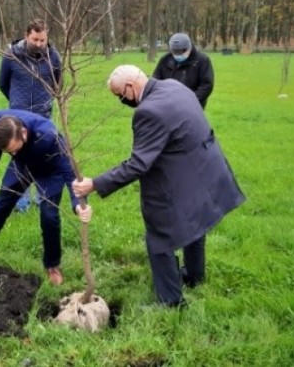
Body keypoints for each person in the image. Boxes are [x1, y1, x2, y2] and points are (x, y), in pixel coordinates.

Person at [72, 65, 244, 307]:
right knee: (196, 221)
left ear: (131, 87)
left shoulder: (148, 111)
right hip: (204, 166)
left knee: (159, 237)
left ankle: (171, 302)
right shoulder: (174, 86)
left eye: (119, 94)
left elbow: (138, 164)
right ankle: (194, 276)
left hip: (183, 176)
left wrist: (95, 184)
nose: (120, 100)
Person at [0, 109, 92, 285]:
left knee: (49, 216)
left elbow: (69, 171)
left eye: (14, 149)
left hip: (49, 171)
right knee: (0, 208)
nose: (12, 153)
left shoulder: (49, 136)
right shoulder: (0, 121)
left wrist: (78, 204)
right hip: (21, 167)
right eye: (8, 152)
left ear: (24, 133)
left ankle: (52, 265)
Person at [0, 19, 61, 212]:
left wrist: (46, 100)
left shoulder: (53, 56)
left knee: (44, 156)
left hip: (43, 116)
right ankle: (21, 203)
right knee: (20, 159)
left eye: (43, 40)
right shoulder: (12, 56)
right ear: (27, 36)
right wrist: (17, 102)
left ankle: (44, 199)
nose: (39, 44)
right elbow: (3, 83)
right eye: (35, 39)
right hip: (19, 116)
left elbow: (57, 83)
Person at [152, 32, 214, 109]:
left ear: (189, 47)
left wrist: (191, 100)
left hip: (193, 105)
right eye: (175, 51)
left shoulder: (202, 60)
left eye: (182, 51)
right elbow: (156, 80)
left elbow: (207, 85)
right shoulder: (165, 60)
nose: (178, 55)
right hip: (168, 103)